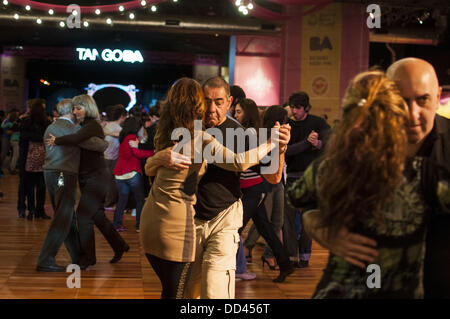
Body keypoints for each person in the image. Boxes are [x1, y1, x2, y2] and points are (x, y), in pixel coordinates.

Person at [287, 70, 450, 298]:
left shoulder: (426, 171)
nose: (412, 113)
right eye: (402, 101)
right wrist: (318, 224)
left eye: (422, 99)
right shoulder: (336, 167)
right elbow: (299, 201)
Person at [141, 77, 290, 299]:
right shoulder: (187, 127)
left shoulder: (239, 132)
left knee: (214, 291)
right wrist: (159, 158)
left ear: (229, 102)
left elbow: (272, 177)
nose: (212, 108)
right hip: (188, 225)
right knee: (189, 294)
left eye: (219, 102)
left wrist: (279, 148)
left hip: (224, 218)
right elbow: (150, 169)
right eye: (207, 101)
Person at [46, 95, 129, 269]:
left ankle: (89, 258)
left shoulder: (91, 125)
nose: (75, 111)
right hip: (87, 176)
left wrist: (57, 140)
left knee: (83, 216)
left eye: (79, 108)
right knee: (97, 215)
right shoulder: (83, 126)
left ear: (88, 108)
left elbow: (81, 141)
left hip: (96, 176)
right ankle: (120, 245)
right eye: (74, 108)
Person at [36, 99, 109, 272]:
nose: (78, 113)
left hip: (52, 173)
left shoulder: (53, 126)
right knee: (63, 218)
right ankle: (45, 260)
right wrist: (105, 141)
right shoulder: (70, 127)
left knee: (65, 216)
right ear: (70, 111)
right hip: (63, 175)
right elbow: (99, 145)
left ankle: (78, 256)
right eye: (76, 110)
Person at [234, 100, 294, 283]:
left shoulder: (253, 134)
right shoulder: (249, 132)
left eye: (239, 112)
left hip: (254, 189)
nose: (236, 115)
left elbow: (262, 162)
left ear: (247, 113)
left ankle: (235, 269)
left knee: (234, 229)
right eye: (235, 111)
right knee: (266, 229)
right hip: (252, 189)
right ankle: (285, 264)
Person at [284, 91, 330, 268]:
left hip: (311, 179)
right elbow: (287, 151)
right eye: (293, 107)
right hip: (291, 178)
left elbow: (331, 142)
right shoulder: (287, 124)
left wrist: (317, 144)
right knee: (288, 221)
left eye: (298, 107)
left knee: (307, 221)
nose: (294, 111)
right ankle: (292, 256)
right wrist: (307, 142)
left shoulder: (318, 123)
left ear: (306, 108)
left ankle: (304, 256)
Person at [113, 116, 154, 232]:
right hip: (131, 173)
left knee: (122, 200)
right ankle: (139, 225)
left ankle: (116, 224)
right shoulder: (132, 137)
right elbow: (138, 154)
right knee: (140, 200)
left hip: (119, 174)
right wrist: (153, 152)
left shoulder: (123, 137)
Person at [20, 100, 52, 220]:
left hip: (29, 157)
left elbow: (23, 138)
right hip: (43, 158)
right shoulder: (47, 123)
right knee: (41, 187)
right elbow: (48, 138)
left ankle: (31, 210)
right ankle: (40, 211)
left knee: (29, 186)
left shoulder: (26, 122)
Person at [103, 104, 127, 209]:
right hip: (114, 158)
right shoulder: (120, 128)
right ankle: (110, 202)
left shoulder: (105, 126)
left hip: (104, 157)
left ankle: (107, 202)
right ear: (122, 116)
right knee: (113, 181)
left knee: (107, 181)